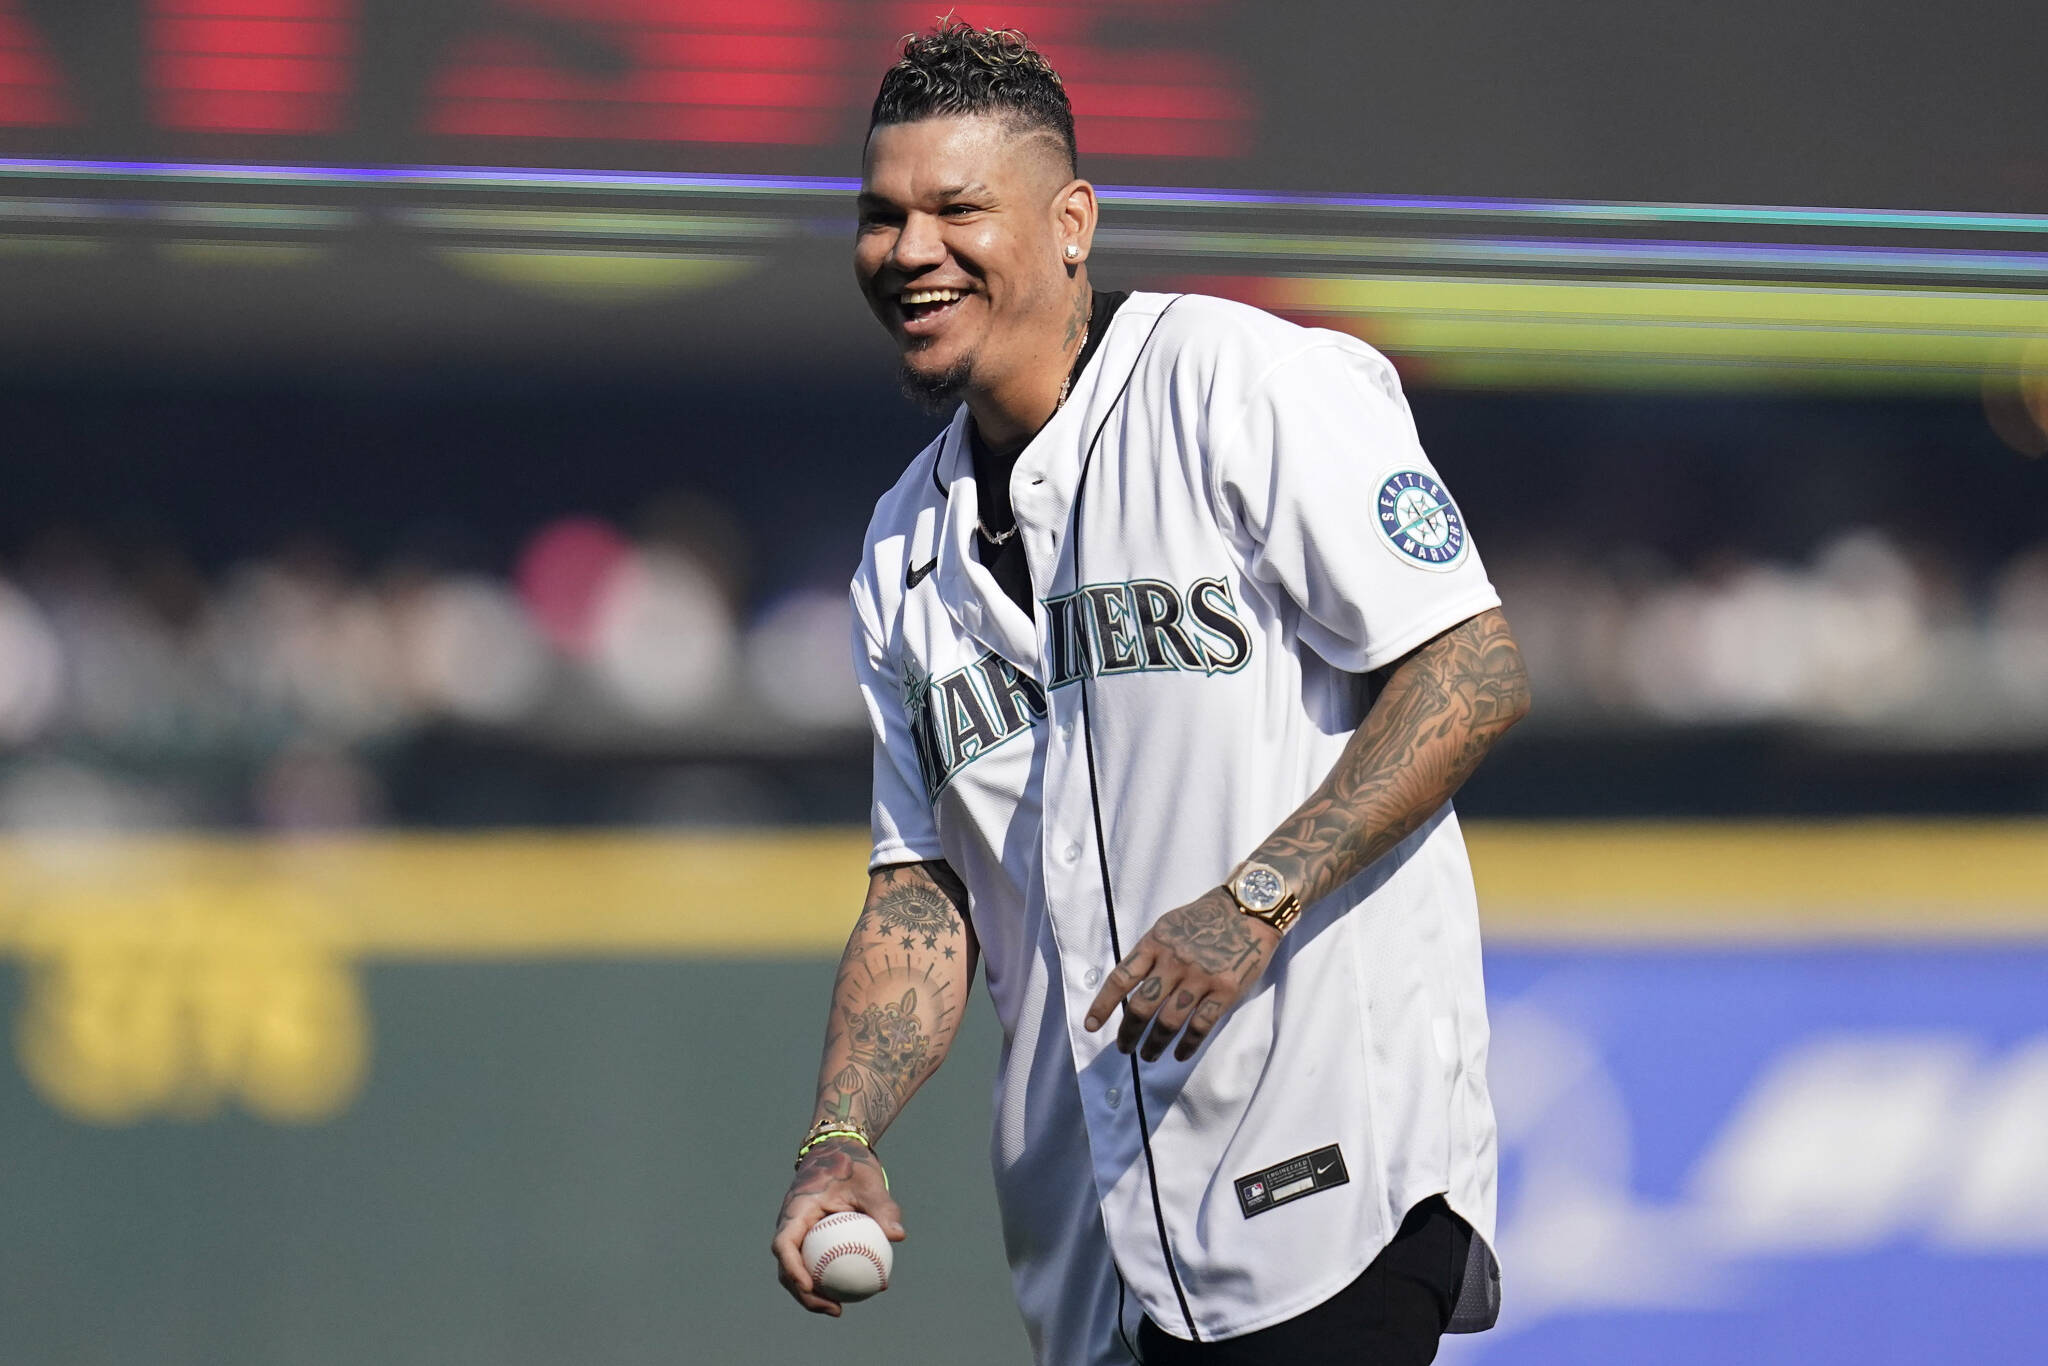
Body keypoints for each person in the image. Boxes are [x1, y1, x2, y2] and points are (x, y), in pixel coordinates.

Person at [771, 20, 1530, 1366]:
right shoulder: (903, 550)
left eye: (958, 208)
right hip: (1095, 1245)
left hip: (1324, 1175)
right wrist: (841, 1136)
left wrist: (1257, 895)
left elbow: (1469, 663)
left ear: (1070, 223)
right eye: (882, 216)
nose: (910, 250)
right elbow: (920, 890)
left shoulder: (1237, 386)